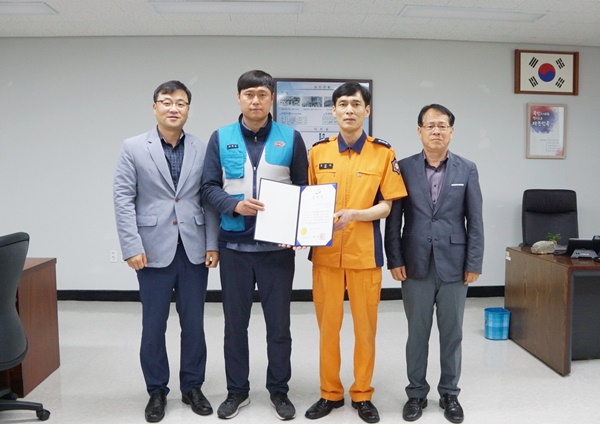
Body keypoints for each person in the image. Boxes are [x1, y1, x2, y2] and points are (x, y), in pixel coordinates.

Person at [201, 69, 308, 421]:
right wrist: (234, 205)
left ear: (272, 98)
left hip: (277, 251)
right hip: (235, 250)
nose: (256, 100)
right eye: (249, 94)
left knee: (279, 327)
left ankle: (279, 390)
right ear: (238, 98)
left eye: (262, 94)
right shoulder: (221, 137)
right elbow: (208, 187)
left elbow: (303, 188)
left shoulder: (291, 138)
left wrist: (298, 232)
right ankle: (237, 390)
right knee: (235, 326)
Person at [113, 80, 220, 423]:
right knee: (153, 325)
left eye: (181, 103)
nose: (174, 108)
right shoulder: (133, 147)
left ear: (188, 108)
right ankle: (157, 390)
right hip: (150, 250)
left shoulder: (202, 148)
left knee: (194, 324)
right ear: (155, 106)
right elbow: (123, 199)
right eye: (166, 102)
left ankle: (192, 386)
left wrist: (212, 243)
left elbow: (209, 198)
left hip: (193, 249)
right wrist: (131, 246)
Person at [304, 82, 408, 424]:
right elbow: (307, 202)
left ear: (367, 110)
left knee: (365, 330)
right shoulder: (318, 152)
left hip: (365, 256)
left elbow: (387, 206)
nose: (349, 110)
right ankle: (330, 393)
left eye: (356, 104)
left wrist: (355, 215)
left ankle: (362, 393)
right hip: (326, 255)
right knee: (327, 328)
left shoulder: (383, 153)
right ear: (333, 111)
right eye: (343, 104)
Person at [384, 104, 484, 424]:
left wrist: (474, 262)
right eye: (430, 125)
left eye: (443, 126)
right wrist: (395, 258)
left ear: (451, 131)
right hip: (415, 264)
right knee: (417, 333)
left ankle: (449, 393)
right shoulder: (403, 168)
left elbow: (475, 220)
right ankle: (416, 393)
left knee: (452, 333)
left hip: (455, 264)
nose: (436, 131)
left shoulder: (467, 169)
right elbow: (394, 220)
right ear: (420, 131)